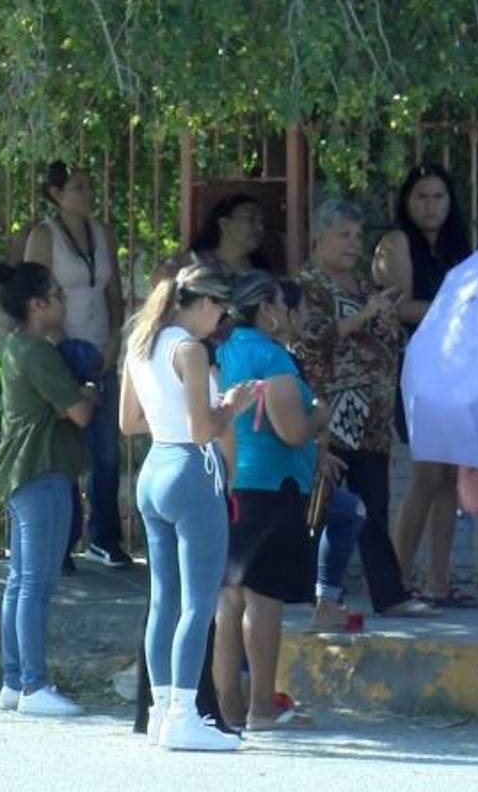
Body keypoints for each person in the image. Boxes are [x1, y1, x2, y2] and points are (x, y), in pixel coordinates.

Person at [121, 263, 254, 750]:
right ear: (201, 303)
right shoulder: (190, 350)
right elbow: (203, 430)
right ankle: (184, 714)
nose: (219, 319)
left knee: (163, 601)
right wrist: (234, 405)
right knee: (198, 603)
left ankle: (160, 711)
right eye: (218, 308)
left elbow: (128, 420)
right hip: (192, 469)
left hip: (154, 467)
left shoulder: (141, 343)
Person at [295, 200, 438, 618]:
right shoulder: (309, 287)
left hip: (370, 415)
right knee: (323, 505)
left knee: (373, 505)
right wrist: (364, 317)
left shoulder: (360, 285)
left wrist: (385, 321)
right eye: (344, 235)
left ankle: (389, 594)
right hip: (330, 414)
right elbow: (310, 341)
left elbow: (382, 337)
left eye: (358, 236)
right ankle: (308, 592)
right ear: (319, 237)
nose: (353, 244)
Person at [214, 271, 324, 732]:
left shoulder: (226, 349)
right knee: (264, 600)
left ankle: (230, 708)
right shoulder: (271, 357)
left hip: (234, 484)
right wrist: (321, 415)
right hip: (273, 487)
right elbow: (292, 430)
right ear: (266, 309)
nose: (289, 313)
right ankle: (262, 705)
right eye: (283, 303)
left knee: (230, 600)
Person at [0, 263, 96, 716]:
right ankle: (34, 685)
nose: (63, 301)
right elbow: (80, 413)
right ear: (37, 305)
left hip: (23, 472)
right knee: (36, 584)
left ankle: (15, 681)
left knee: (20, 582)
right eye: (56, 294)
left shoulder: (16, 346)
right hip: (43, 471)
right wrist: (88, 391)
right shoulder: (38, 351)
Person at [374, 166, 475, 607]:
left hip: (454, 368)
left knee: (451, 476)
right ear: (406, 202)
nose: (431, 205)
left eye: (439, 197)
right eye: (422, 197)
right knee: (427, 475)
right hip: (412, 366)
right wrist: (454, 307)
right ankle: (394, 579)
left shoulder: (456, 248)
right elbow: (398, 307)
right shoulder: (397, 243)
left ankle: (438, 581)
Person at [24, 161, 129, 569]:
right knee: (65, 450)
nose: (87, 193)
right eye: (77, 187)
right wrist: (61, 345)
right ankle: (62, 542)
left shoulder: (103, 233)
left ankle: (105, 537)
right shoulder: (44, 235)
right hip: (61, 348)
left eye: (89, 185)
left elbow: (114, 293)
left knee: (106, 450)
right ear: (55, 194)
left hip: (101, 348)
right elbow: (33, 294)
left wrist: (115, 340)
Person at [277, 279, 367, 632]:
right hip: (277, 474)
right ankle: (326, 602)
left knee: (347, 509)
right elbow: (289, 422)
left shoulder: (278, 356)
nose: (306, 316)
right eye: (301, 309)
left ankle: (327, 602)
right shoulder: (275, 360)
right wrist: (318, 423)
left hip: (294, 464)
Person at [152, 194, 268, 283]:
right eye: (251, 219)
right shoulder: (189, 263)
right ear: (224, 224)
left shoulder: (261, 274)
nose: (260, 227)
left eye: (261, 221)